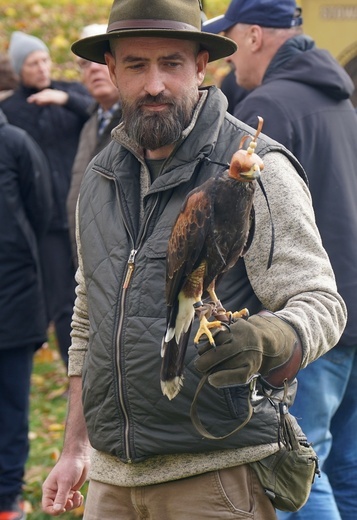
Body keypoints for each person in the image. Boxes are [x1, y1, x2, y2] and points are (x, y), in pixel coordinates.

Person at [41, 1, 347, 519]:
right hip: (111, 482)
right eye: (136, 65)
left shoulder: (257, 168)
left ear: (202, 65)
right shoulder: (100, 176)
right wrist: (76, 448)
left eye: (172, 63)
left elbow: (321, 302)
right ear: (111, 69)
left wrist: (273, 337)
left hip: (217, 477)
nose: (154, 84)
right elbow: (87, 318)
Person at [203, 1, 357, 519]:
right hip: (348, 306)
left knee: (295, 474)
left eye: (228, 38)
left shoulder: (266, 108)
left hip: (307, 321)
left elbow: (234, 217)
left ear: (251, 36)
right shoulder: (342, 100)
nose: (227, 62)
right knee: (348, 469)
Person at [0, 32, 93, 367]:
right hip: (47, 224)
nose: (40, 68)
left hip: (85, 213)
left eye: (43, 60)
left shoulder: (74, 93)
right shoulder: (9, 111)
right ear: (18, 70)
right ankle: (75, 370)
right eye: (31, 63)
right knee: (62, 301)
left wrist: (64, 100)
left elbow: (102, 117)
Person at [0, 107, 52, 520]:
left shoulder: (15, 143)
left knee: (11, 405)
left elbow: (42, 211)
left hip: (12, 299)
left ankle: (7, 498)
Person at [67, 24, 122, 268]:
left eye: (99, 61)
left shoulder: (140, 124)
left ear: (115, 65)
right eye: (85, 63)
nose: (93, 70)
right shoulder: (91, 123)